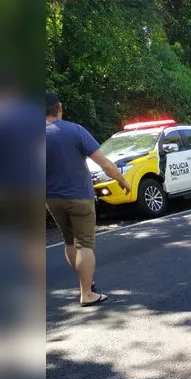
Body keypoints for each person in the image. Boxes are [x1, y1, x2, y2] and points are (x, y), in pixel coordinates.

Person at [45, 90, 130, 307]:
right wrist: (122, 180)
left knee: (69, 241)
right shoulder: (75, 131)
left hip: (52, 199)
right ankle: (86, 293)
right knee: (84, 244)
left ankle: (86, 283)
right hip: (80, 197)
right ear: (60, 107)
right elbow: (105, 164)